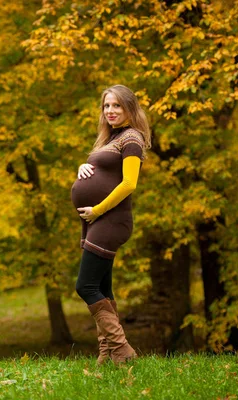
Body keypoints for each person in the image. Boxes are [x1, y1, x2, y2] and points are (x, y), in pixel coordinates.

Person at [70, 84, 151, 365]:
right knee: (103, 289)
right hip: (97, 221)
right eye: (106, 106)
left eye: (117, 105)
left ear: (129, 107)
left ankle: (123, 350)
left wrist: (97, 209)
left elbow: (129, 183)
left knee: (85, 286)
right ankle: (107, 356)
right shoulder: (113, 137)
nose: (110, 111)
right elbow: (104, 170)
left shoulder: (132, 139)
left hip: (110, 219)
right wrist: (84, 168)